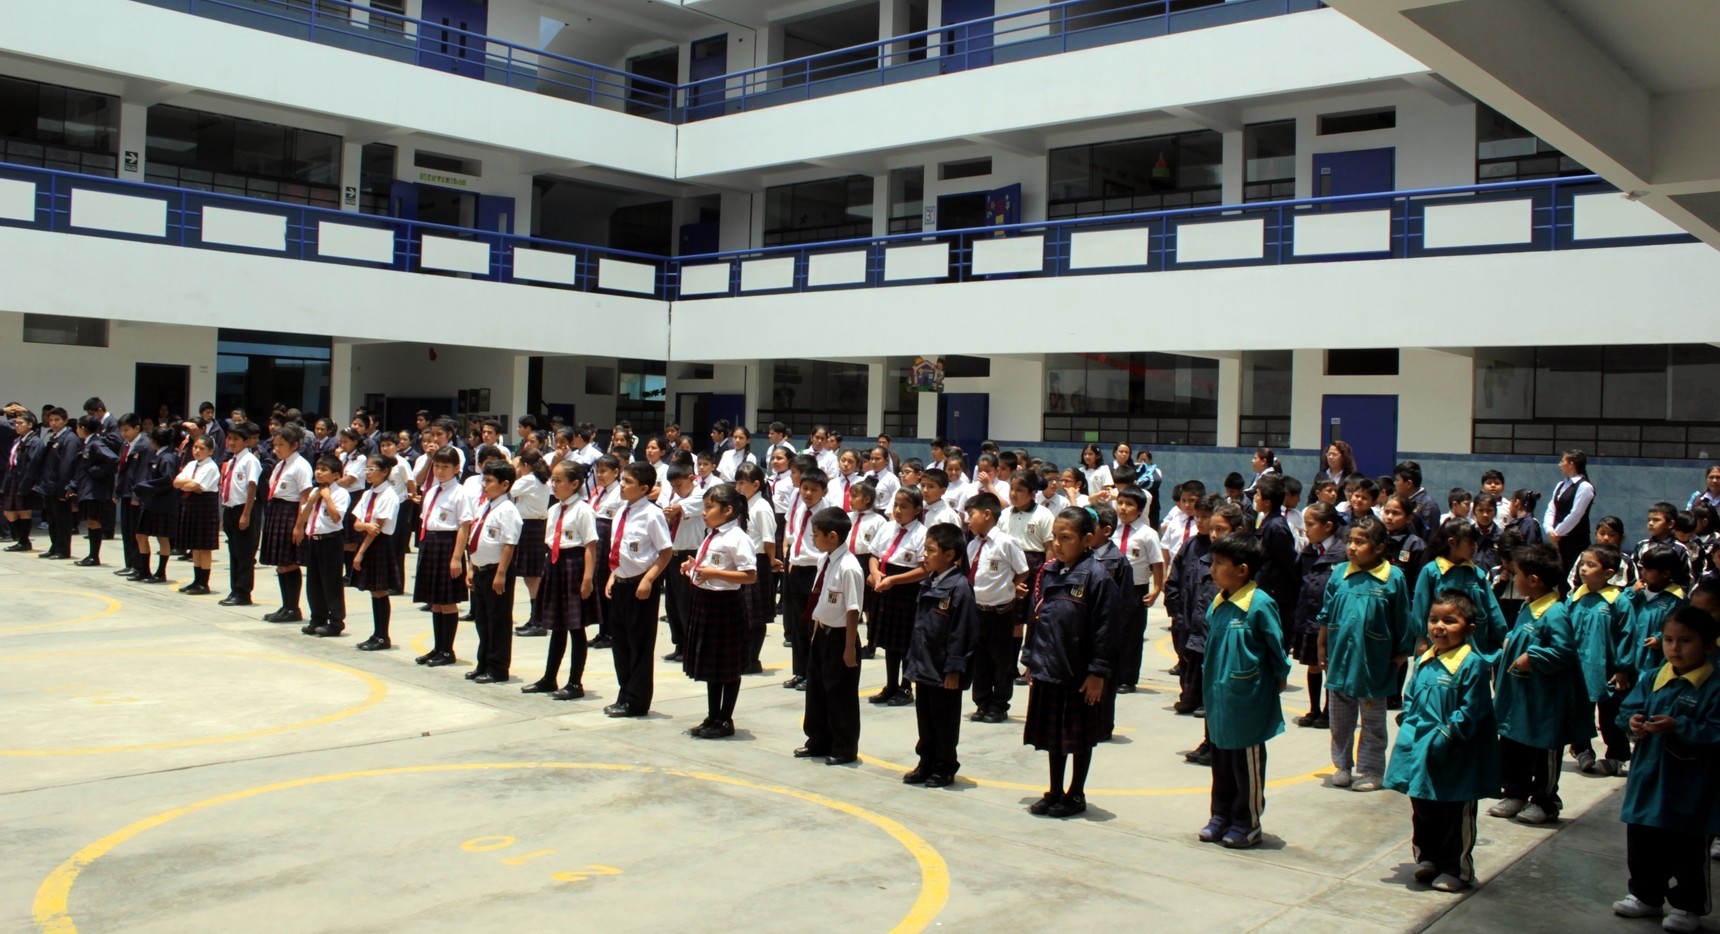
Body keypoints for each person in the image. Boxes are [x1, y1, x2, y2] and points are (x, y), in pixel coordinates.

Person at [1383, 590, 1501, 893]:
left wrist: (1447, 734)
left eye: (1450, 621)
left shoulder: (1471, 665)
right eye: (1434, 619)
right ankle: (1427, 857)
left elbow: (1472, 710)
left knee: (1453, 810)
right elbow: (1411, 695)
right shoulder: (1425, 660)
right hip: (1419, 747)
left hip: (1454, 751)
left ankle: (1456, 868)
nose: (1439, 627)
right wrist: (1409, 725)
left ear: (1469, 629)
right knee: (1422, 804)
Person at [1610, 607, 1720, 932]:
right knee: (1642, 841)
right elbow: (1628, 708)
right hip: (1648, 778)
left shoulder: (1713, 686)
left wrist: (1680, 727)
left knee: (1687, 847)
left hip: (1689, 786)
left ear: (1708, 646)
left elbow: (1715, 730)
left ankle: (1688, 905)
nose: (1675, 648)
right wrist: (1632, 722)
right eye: (1669, 640)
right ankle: (1646, 895)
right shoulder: (1653, 677)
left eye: (1685, 641)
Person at [1021, 507, 1121, 819]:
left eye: (1066, 538)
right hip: (1049, 667)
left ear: (1087, 539)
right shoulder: (1049, 572)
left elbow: (1107, 628)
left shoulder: (1097, 577)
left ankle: (1076, 792)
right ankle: (1055, 790)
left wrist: (1097, 672)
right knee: (1053, 736)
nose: (1057, 544)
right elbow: (1035, 618)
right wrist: (1030, 659)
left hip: (1077, 673)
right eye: (1055, 537)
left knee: (1078, 738)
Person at [1199, 532, 1291, 849]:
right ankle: (1220, 815)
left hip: (1247, 700)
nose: (1212, 569)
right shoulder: (1219, 603)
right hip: (1219, 699)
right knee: (1221, 762)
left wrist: (1277, 679)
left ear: (1242, 570)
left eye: (1219, 563)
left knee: (1245, 764)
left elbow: (1276, 649)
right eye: (1212, 562)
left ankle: (1247, 821)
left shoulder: (1259, 604)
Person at [1489, 542, 1590, 825]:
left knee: (1544, 748)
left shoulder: (1555, 613)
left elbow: (1564, 651)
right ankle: (1515, 792)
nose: (1515, 579)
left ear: (1533, 580)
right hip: (1521, 697)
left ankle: (1545, 801)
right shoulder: (1529, 606)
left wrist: (1533, 656)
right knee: (1514, 743)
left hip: (1545, 700)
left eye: (1517, 574)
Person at [1317, 516, 1413, 793]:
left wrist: (1401, 654)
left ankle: (1371, 770)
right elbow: (1326, 614)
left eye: (1360, 542)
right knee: (1340, 719)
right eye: (1350, 541)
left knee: (1372, 721)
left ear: (1379, 547)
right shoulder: (1340, 573)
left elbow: (1402, 618)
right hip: (1340, 658)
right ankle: (1342, 765)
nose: (1352, 547)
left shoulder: (1393, 577)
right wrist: (1321, 646)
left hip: (1373, 661)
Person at [904, 522, 979, 786]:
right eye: (924, 549)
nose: (925, 555)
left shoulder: (960, 588)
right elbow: (920, 627)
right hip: (924, 665)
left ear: (949, 555)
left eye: (931, 550)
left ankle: (944, 766)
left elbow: (962, 633)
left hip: (943, 670)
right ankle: (925, 761)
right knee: (925, 718)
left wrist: (954, 669)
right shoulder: (929, 582)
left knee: (944, 720)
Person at [681, 483, 757, 738]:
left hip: (725, 605)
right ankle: (712, 715)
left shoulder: (737, 538)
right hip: (705, 601)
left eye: (709, 507)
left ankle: (725, 718)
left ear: (728, 510)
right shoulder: (712, 534)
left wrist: (714, 573)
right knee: (711, 665)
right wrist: (694, 567)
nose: (704, 512)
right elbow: (710, 566)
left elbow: (749, 575)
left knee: (728, 666)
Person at [523, 459, 599, 700]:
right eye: (552, 480)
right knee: (556, 625)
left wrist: (587, 578)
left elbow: (590, 546)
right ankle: (549, 678)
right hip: (555, 565)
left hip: (574, 565)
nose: (553, 485)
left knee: (576, 627)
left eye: (558, 481)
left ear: (574, 484)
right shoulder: (554, 509)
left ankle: (575, 682)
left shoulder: (583, 510)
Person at [603, 461, 674, 718]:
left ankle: (637, 700)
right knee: (620, 643)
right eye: (622, 480)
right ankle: (624, 693)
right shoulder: (622, 510)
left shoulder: (652, 514)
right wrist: (613, 575)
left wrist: (649, 579)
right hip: (621, 582)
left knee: (639, 644)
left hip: (640, 585)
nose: (622, 485)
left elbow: (665, 552)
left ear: (644, 488)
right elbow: (619, 549)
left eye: (628, 482)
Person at [798, 506, 864, 765]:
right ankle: (817, 740)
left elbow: (853, 610)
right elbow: (822, 598)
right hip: (822, 632)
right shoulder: (824, 560)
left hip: (841, 637)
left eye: (816, 534)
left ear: (833, 536)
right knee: (816, 690)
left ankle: (844, 747)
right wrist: (816, 631)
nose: (813, 539)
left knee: (840, 695)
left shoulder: (849, 567)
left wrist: (849, 648)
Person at [1566, 544, 1631, 776]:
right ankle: (1582, 750)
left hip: (1606, 670)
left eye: (1591, 565)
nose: (1583, 569)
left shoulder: (1617, 601)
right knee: (1579, 713)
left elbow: (1627, 635)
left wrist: (1623, 668)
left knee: (1609, 716)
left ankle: (1617, 755)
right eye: (1582, 563)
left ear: (1608, 573)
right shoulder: (1575, 598)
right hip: (1577, 668)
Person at [964, 492, 1028, 724]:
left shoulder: (1006, 542)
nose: (968, 520)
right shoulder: (972, 545)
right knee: (980, 659)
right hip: (977, 610)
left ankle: (999, 705)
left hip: (1000, 611)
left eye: (971, 515)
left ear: (987, 514)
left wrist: (1009, 587)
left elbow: (1023, 570)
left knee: (1001, 660)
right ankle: (982, 702)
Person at [1410, 519, 1510, 656]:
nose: (1475, 547)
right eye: (1470, 543)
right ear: (1452, 543)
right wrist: (1421, 638)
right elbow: (1420, 607)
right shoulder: (1431, 571)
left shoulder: (1476, 573)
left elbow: (1492, 608)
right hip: (1440, 644)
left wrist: (1503, 637)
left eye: (1475, 542)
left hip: (1474, 645)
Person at [870, 486, 931, 707]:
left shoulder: (922, 534)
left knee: (905, 642)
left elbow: (924, 569)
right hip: (885, 585)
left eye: (903, 507)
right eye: (895, 505)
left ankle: (906, 686)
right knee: (890, 642)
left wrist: (894, 580)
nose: (897, 510)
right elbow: (874, 554)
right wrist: (875, 572)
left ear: (917, 510)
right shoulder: (887, 528)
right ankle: (891, 685)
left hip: (907, 590)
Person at [465, 460, 522, 683]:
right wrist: (471, 567)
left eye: (489, 481)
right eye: (484, 480)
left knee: (498, 620)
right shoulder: (485, 506)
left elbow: (509, 543)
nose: (484, 485)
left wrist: (501, 573)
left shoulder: (507, 510)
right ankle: (483, 662)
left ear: (505, 484)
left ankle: (498, 668)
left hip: (496, 571)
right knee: (482, 620)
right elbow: (475, 537)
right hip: (480, 570)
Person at [413, 446, 470, 666]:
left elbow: (464, 526)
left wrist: (456, 557)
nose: (440, 471)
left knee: (447, 601)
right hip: (430, 543)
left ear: (456, 468)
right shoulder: (431, 491)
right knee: (435, 601)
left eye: (445, 467)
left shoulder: (459, 492)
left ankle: (447, 650)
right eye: (437, 466)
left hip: (448, 544)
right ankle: (438, 647)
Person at [1291, 502, 1343, 728]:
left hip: (1332, 621)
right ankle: (1314, 708)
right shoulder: (1308, 552)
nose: (1306, 529)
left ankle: (1330, 711)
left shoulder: (1341, 554)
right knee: (1313, 664)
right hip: (1309, 617)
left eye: (1311, 524)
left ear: (1328, 526)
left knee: (1330, 665)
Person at [1111, 485, 1165, 695]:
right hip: (1112, 587)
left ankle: (1128, 678)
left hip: (1135, 589)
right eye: (1120, 503)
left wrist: (1157, 588)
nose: (1123, 508)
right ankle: (1111, 674)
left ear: (1140, 510)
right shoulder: (1111, 530)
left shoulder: (1147, 534)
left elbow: (1157, 563)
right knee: (1111, 631)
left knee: (1132, 635)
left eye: (1129, 504)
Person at [259, 424, 312, 619]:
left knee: (289, 562)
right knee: (281, 563)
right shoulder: (280, 465)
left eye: (281, 445)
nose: (276, 449)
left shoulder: (300, 465)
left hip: (290, 511)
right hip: (277, 510)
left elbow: (305, 496)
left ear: (294, 445)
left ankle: (293, 608)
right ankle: (285, 606)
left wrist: (299, 525)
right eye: (275, 445)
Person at [350, 454, 402, 650]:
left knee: (380, 590)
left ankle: (382, 636)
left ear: (385, 472)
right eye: (367, 469)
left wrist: (360, 553)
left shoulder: (389, 495)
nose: (368, 473)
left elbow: (377, 528)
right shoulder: (368, 494)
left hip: (379, 543)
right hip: (367, 539)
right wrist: (365, 525)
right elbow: (357, 524)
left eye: (372, 469)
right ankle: (376, 633)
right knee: (373, 590)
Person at [296, 453, 351, 635]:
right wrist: (312, 500)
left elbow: (336, 518)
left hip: (330, 540)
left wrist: (327, 498)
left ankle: (336, 622)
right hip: (314, 540)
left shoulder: (340, 493)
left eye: (324, 470)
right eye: (318, 469)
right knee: (314, 582)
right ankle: (317, 618)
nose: (318, 472)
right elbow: (304, 516)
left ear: (336, 475)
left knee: (331, 582)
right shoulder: (314, 491)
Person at [734, 461, 779, 675]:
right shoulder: (744, 505)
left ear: (756, 484)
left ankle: (753, 659)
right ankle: (743, 656)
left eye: (743, 483)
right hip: (743, 562)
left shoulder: (761, 507)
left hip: (758, 561)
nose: (739, 487)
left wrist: (771, 561)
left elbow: (768, 540)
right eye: (737, 483)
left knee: (756, 615)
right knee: (744, 612)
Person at [1621, 544, 1690, 673]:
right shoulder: (1637, 591)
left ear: (1665, 574)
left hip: (1653, 661)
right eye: (1642, 568)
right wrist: (1631, 592)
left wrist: (1660, 638)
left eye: (1648, 570)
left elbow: (1682, 627)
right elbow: (1619, 609)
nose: (1643, 573)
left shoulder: (1676, 598)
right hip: (1628, 658)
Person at [508, 450, 551, 638]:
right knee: (530, 576)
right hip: (536, 526)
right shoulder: (542, 480)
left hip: (529, 527)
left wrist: (516, 470)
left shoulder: (528, 479)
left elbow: (510, 490)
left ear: (525, 465)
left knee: (532, 576)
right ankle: (535, 617)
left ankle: (538, 620)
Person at [131, 424, 181, 585]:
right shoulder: (158, 455)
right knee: (140, 534)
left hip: (163, 504)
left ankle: (161, 572)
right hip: (150, 502)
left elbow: (168, 480)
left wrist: (145, 486)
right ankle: (144, 570)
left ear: (154, 440)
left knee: (163, 538)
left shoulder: (168, 458)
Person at [217, 424, 261, 606]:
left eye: (236, 439)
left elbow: (252, 486)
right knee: (234, 552)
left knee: (244, 554)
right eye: (230, 438)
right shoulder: (232, 461)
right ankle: (234, 589)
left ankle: (243, 593)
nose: (232, 442)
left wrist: (246, 514)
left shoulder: (250, 460)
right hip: (230, 509)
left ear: (246, 441)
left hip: (243, 508)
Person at [171, 434, 221, 595]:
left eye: (202, 448)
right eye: (195, 447)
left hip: (205, 507)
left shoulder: (211, 467)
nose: (197, 451)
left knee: (204, 547)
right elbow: (176, 482)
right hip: (191, 504)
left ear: (210, 451)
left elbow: (193, 486)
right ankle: (196, 580)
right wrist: (190, 485)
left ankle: (203, 583)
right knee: (195, 546)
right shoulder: (191, 464)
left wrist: (190, 485)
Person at [71, 414, 117, 567]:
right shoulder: (87, 443)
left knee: (94, 521)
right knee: (90, 522)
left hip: (94, 490)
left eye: (78, 427)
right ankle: (91, 555)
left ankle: (94, 556)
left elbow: (112, 459)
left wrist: (95, 471)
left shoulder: (96, 443)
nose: (77, 430)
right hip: (86, 488)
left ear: (83, 428)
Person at [1544, 449, 1596, 577]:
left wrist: (1558, 532)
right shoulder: (1561, 485)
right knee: (1560, 575)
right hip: (1559, 540)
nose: (1560, 465)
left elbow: (1576, 514)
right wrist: (1549, 529)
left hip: (1575, 540)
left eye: (1562, 461)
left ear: (1571, 464)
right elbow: (1551, 509)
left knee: (1575, 574)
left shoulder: (1584, 487)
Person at [3, 409, 44, 552]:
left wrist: (26, 484)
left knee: (24, 510)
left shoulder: (35, 441)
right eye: (16, 423)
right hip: (13, 476)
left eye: (20, 423)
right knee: (8, 511)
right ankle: (21, 539)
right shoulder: (18, 440)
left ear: (30, 425)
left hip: (24, 478)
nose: (17, 426)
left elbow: (33, 464)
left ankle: (23, 541)